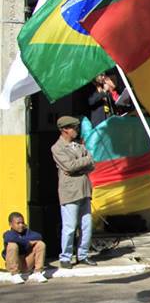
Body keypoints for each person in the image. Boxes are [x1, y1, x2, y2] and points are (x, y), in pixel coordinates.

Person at [51, 115, 96, 269]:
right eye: (73, 128)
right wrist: (84, 162)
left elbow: (92, 163)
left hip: (84, 188)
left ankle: (83, 254)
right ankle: (65, 257)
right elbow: (69, 166)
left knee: (86, 225)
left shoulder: (78, 145)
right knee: (70, 226)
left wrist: (82, 164)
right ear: (65, 130)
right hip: (70, 192)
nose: (77, 130)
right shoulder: (57, 148)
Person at [3, 212, 46, 283]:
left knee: (40, 244)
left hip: (27, 263)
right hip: (15, 263)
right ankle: (15, 274)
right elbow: (9, 238)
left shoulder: (27, 232)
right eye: (18, 223)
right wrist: (28, 243)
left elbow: (39, 236)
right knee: (12, 245)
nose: (21, 225)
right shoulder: (8, 234)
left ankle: (38, 272)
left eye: (22, 223)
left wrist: (22, 240)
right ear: (11, 224)